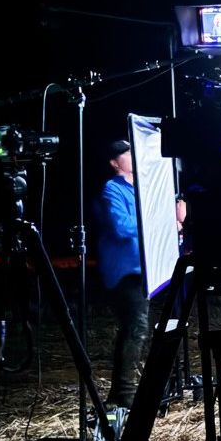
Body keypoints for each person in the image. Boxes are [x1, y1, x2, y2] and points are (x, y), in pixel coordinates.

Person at [96, 139, 149, 412]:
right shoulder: (112, 189)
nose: (132, 156)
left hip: (142, 268)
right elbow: (121, 226)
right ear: (115, 163)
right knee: (135, 328)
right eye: (126, 154)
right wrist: (152, 219)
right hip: (123, 271)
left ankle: (126, 390)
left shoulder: (140, 188)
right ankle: (123, 394)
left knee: (139, 328)